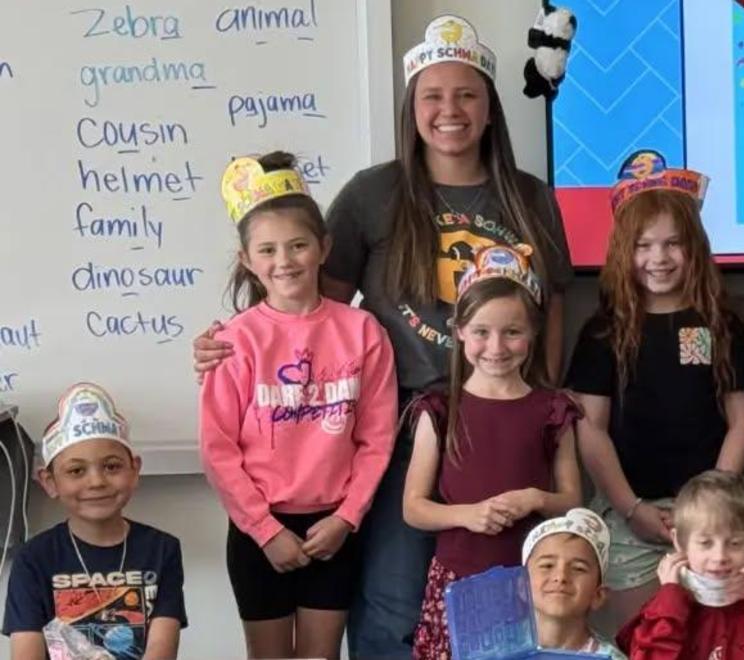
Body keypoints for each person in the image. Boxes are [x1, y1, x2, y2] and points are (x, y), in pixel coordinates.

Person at [191, 15, 575, 657]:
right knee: (392, 605)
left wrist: (545, 402)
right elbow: (310, 317)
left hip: (508, 425)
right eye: (432, 95)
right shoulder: (374, 194)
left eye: (466, 94)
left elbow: (555, 302)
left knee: (507, 604)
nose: (449, 110)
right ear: (411, 107)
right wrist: (232, 342)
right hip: (400, 433)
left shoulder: (530, 197)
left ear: (489, 108)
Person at [198, 153, 397, 659]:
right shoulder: (235, 342)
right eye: (267, 249)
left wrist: (347, 519)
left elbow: (377, 439)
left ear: (324, 248)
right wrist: (265, 531)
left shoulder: (362, 332)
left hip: (335, 528)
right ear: (247, 259)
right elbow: (218, 450)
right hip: (258, 532)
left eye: (298, 245)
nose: (284, 260)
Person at [567, 152, 744, 630]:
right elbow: (591, 429)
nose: (659, 258)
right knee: (644, 639)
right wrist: (631, 508)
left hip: (713, 521)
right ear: (623, 252)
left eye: (673, 243)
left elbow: (741, 421)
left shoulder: (720, 325)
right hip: (631, 514)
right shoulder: (603, 333)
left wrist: (713, 501)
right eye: (644, 245)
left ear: (694, 247)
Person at [402, 247, 584, 659]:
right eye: (482, 331)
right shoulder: (440, 409)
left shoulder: (553, 410)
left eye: (512, 332)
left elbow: (572, 499)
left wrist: (536, 498)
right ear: (460, 331)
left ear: (533, 332)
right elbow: (413, 507)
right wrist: (468, 514)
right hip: (457, 582)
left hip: (530, 586)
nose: (496, 346)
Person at [4, 383, 186, 660]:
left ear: (134, 470)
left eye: (111, 467)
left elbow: (162, 648)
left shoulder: (162, 550)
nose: (97, 482)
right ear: (50, 482)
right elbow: (25, 652)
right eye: (76, 470)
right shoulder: (33, 559)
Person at [616, 471, 744, 659]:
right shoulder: (660, 612)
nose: (719, 557)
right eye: (705, 543)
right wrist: (669, 603)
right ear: (679, 542)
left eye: (735, 543)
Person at [521, 508, 629, 657]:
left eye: (578, 568)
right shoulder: (497, 652)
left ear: (598, 596)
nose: (561, 576)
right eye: (547, 565)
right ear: (521, 586)